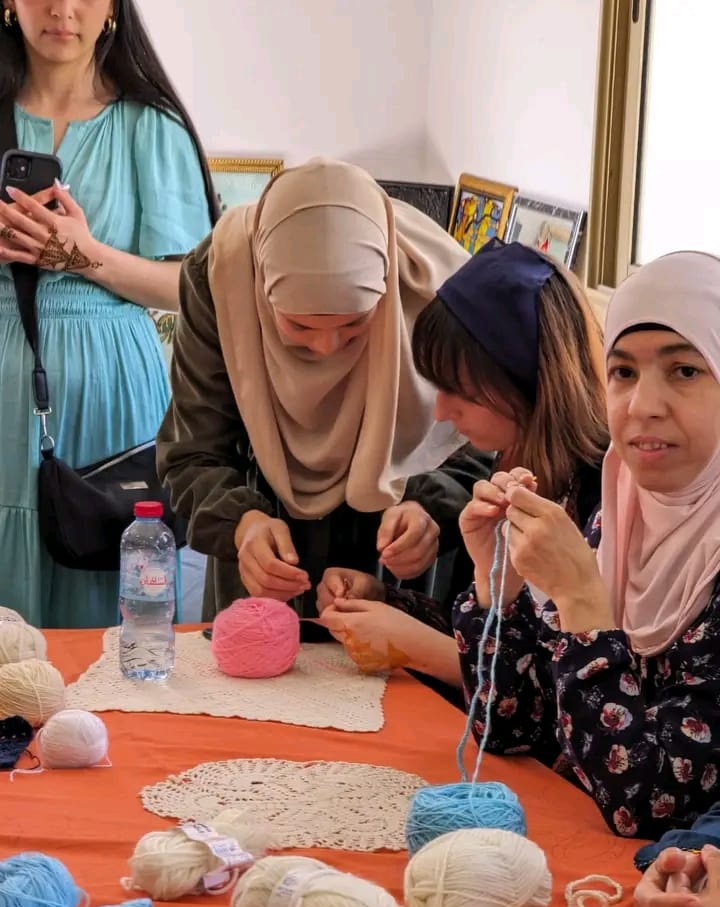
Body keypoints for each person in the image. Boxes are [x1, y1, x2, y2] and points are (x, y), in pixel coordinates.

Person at [447, 250, 720, 838]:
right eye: (622, 372)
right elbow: (512, 730)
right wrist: (498, 587)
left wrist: (583, 602)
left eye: (685, 371)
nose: (643, 406)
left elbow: (646, 807)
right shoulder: (621, 509)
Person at [156, 157, 489, 621]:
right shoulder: (222, 277)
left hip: (397, 555)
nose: (327, 347)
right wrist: (243, 525)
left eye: (355, 325)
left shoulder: (440, 286)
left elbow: (486, 440)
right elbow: (193, 449)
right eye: (297, 326)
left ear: (387, 286)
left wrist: (431, 511)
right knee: (254, 684)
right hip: (261, 551)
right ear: (261, 290)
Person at [0, 0, 215, 627]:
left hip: (115, 390)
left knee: (110, 571)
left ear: (115, 9)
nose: (63, 9)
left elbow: (191, 288)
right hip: (7, 385)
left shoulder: (151, 125)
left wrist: (84, 257)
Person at [318, 239, 607, 692]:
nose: (441, 412)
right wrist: (388, 601)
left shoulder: (603, 498)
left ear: (527, 380)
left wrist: (414, 645)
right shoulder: (513, 463)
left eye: (462, 391)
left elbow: (554, 695)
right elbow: (491, 629)